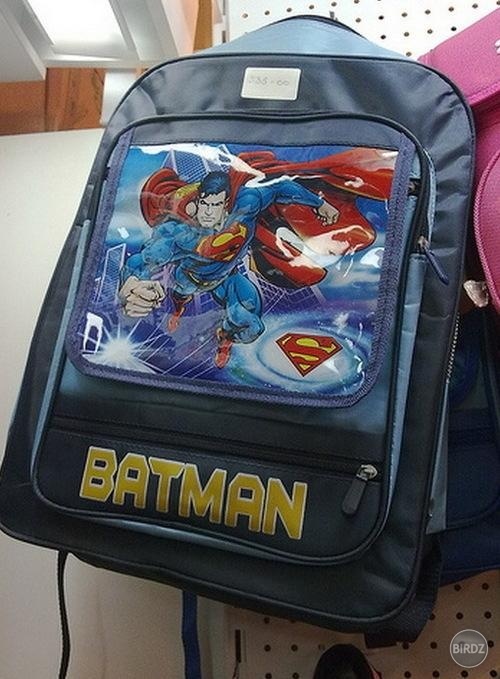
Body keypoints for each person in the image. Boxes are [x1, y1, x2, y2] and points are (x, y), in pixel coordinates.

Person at [119, 169, 339, 368]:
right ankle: (178, 311)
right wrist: (132, 284)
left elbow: (279, 188)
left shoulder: (246, 206)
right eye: (204, 203)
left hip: (227, 280)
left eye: (215, 205)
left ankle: (225, 337)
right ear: (197, 201)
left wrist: (319, 204)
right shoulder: (180, 231)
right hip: (190, 278)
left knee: (252, 326)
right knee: (181, 296)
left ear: (225, 204)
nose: (208, 211)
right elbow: (143, 260)